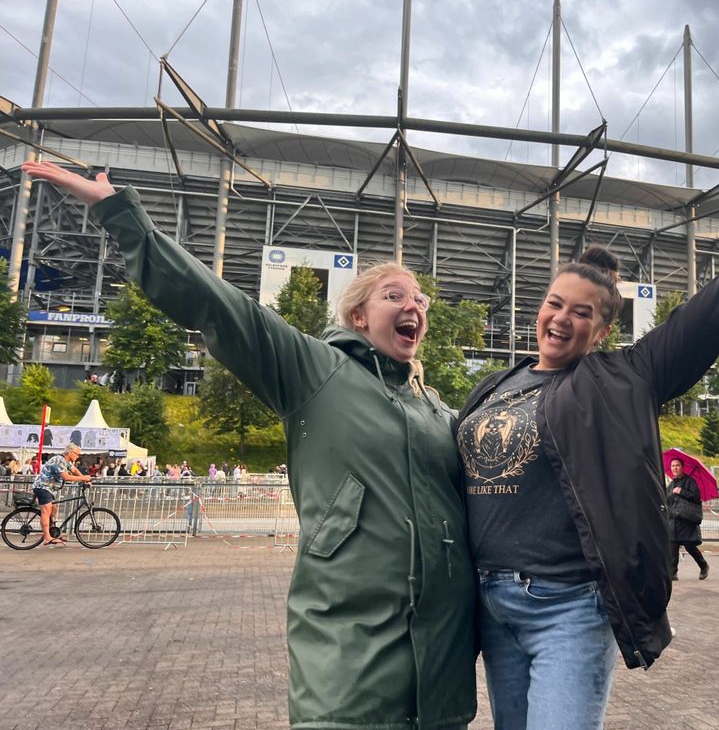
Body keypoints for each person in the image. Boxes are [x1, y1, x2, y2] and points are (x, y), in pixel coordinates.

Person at [23, 161, 476, 729]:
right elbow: (220, 307)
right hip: (350, 662)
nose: (415, 306)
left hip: (441, 681)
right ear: (359, 315)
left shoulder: (437, 410)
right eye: (395, 295)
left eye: (421, 301)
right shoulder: (318, 370)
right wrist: (122, 215)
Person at [454, 202, 719, 728]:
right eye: (555, 303)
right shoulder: (494, 385)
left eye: (582, 312)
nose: (562, 318)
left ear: (602, 332)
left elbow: (708, 314)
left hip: (568, 605)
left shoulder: (624, 378)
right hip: (490, 603)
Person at [32, 442, 92, 547]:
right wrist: (84, 478)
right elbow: (66, 477)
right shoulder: (59, 460)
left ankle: (54, 533)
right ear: (70, 453)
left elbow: (74, 470)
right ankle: (46, 537)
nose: (78, 457)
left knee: (53, 509)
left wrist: (85, 479)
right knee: (46, 511)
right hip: (43, 487)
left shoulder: (66, 461)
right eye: (77, 454)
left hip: (50, 489)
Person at [666, 457, 709, 581]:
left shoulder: (690, 481)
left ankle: (703, 565)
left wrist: (682, 491)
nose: (675, 468)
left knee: (689, 545)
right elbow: (667, 499)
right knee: (673, 544)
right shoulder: (671, 483)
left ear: (682, 467)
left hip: (685, 520)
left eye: (677, 465)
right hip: (674, 519)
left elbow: (696, 498)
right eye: (673, 465)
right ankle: (673, 573)